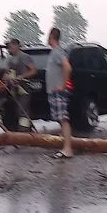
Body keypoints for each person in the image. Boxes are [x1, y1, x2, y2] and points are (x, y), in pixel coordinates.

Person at [0, 38, 37, 132]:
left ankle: (24, 133)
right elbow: (6, 72)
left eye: (10, 46)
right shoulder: (9, 59)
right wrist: (6, 77)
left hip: (24, 87)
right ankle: (25, 130)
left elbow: (33, 70)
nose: (9, 49)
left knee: (23, 111)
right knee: (17, 110)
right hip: (14, 89)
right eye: (8, 47)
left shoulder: (25, 57)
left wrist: (21, 76)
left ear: (17, 45)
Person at [45, 28, 74, 158]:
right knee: (60, 119)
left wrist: (63, 85)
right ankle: (65, 146)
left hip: (58, 92)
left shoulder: (58, 51)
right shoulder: (54, 52)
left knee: (63, 119)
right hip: (53, 91)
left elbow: (68, 67)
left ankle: (68, 149)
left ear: (52, 37)